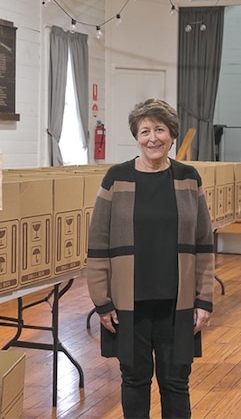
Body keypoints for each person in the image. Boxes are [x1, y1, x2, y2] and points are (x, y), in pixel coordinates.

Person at [87, 98, 214, 419]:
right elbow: (98, 243)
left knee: (175, 381)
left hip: (178, 303)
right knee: (134, 379)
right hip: (129, 303)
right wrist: (102, 302)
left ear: (172, 135)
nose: (152, 138)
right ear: (136, 136)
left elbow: (203, 242)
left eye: (160, 129)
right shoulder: (117, 178)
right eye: (145, 131)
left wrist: (204, 300)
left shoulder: (189, 178)